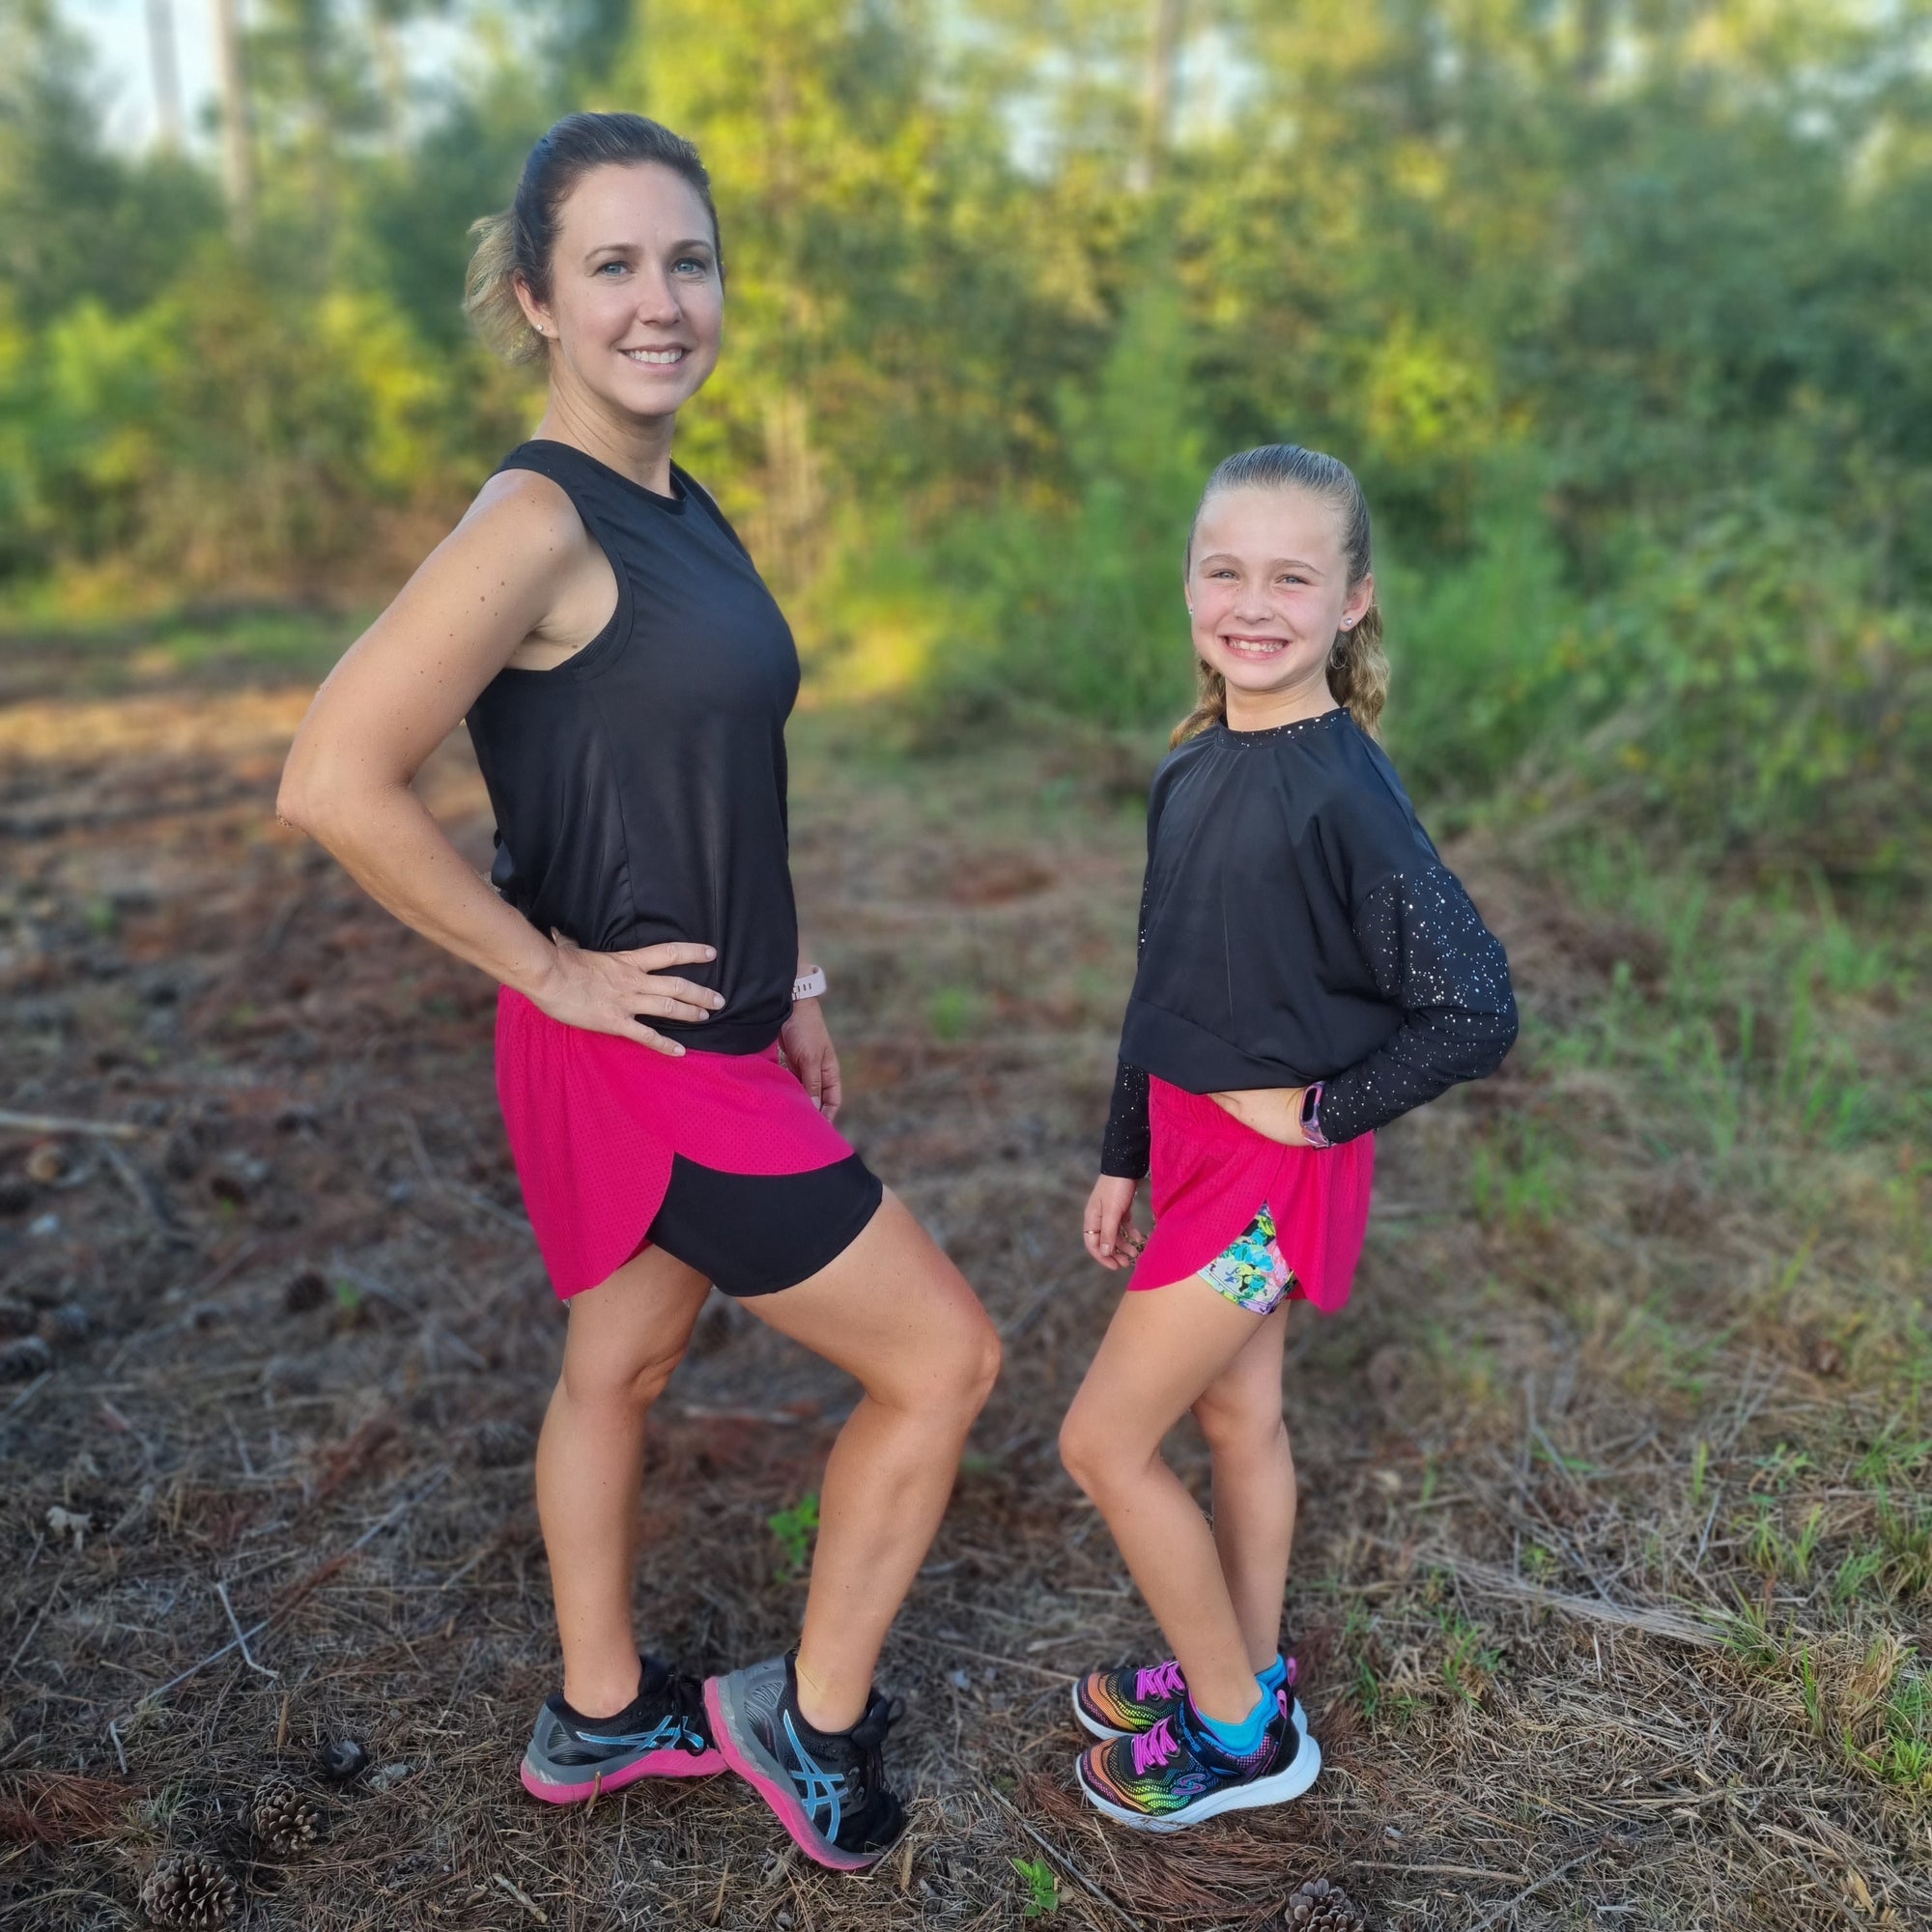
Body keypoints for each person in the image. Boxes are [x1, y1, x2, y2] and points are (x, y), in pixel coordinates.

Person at [275, 111, 1000, 1874]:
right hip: (635, 1054)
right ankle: (810, 1724)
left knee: (624, 1360)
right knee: (946, 1360)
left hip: (709, 1028)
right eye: (612, 265)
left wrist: (790, 970)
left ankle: (601, 1712)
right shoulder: (535, 518)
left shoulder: (682, 501)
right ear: (536, 298)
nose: (659, 301)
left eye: (689, 261)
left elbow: (719, 772)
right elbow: (333, 779)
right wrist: (549, 971)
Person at [1060, 443, 1518, 1831]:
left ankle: (1240, 1733)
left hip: (1266, 1188)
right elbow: (1162, 976)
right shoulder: (1192, 768)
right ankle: (1246, 1663)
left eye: (1292, 578)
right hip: (1193, 1150)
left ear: (1353, 600)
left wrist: (1322, 1112)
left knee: (1103, 1445)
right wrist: (1124, 1148)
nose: (1253, 605)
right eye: (1226, 571)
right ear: (1189, 583)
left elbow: (1477, 1006)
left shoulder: (1343, 792)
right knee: (1235, 1414)